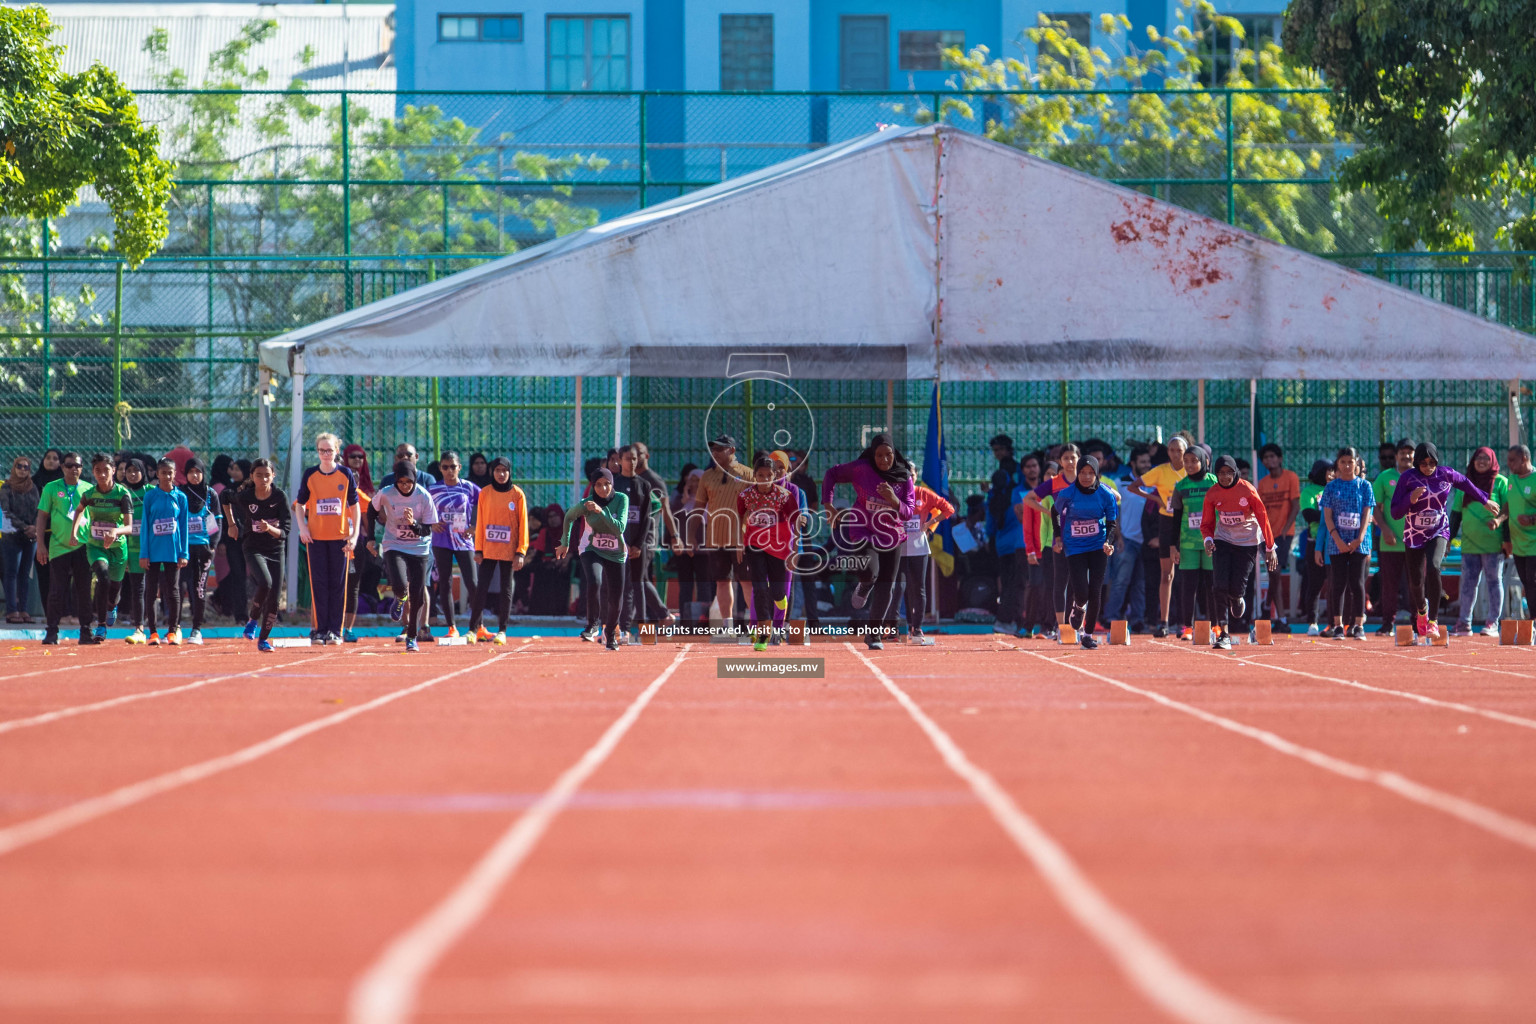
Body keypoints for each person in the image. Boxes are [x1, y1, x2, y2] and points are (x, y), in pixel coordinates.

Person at [1391, 442, 1498, 642]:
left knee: (1433, 567)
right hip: (1414, 534)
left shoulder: (1445, 474)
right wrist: (1410, 500)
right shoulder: (1407, 478)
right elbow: (1395, 511)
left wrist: (1485, 501)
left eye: (1432, 462)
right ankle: (1422, 610)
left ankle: (1433, 620)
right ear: (1416, 463)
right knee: (1415, 580)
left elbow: (1466, 483)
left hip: (1438, 530)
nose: (1428, 467)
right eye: (1423, 463)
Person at [821, 433, 917, 650]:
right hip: (863, 528)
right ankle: (864, 585)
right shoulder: (861, 469)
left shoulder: (904, 478)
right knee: (868, 572)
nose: (884, 460)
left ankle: (873, 635)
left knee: (886, 584)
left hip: (891, 535)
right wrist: (828, 505)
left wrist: (893, 500)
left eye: (888, 455)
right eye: (879, 455)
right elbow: (831, 474)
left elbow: (908, 513)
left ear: (895, 454)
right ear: (872, 455)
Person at [1200, 454, 1278, 650]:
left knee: (1236, 588)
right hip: (1223, 539)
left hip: (1248, 542)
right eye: (1220, 473)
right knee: (1218, 586)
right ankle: (1223, 633)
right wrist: (1208, 540)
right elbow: (1206, 523)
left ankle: (1237, 597)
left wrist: (1270, 547)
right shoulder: (1212, 494)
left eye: (1229, 473)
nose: (1225, 477)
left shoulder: (1248, 490)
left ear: (1235, 473)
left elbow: (1263, 518)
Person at [293, 433, 362, 645]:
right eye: (322, 450)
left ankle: (335, 631)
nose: (326, 454)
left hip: (339, 538)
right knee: (319, 584)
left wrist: (355, 534)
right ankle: (319, 630)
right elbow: (300, 504)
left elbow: (354, 506)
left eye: (329, 450)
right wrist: (302, 528)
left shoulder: (345, 474)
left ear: (337, 452)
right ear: (317, 452)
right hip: (316, 538)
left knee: (338, 584)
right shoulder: (310, 474)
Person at [1051, 455, 1120, 649]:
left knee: (1096, 590)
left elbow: (1112, 523)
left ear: (1097, 474)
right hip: (1075, 546)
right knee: (1081, 591)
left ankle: (1088, 635)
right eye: (1082, 473)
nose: (1086, 477)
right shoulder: (1068, 493)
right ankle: (1078, 607)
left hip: (1098, 546)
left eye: (1091, 473)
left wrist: (1108, 542)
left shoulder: (1106, 494)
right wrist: (1058, 536)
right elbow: (1055, 511)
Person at [557, 469, 629, 650]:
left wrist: (601, 511)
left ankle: (611, 633)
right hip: (592, 548)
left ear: (612, 484)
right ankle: (593, 624)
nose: (603, 488)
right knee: (595, 581)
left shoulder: (621, 499)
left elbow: (619, 528)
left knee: (615, 597)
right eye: (598, 484)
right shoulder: (587, 503)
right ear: (593, 486)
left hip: (616, 552)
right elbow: (569, 516)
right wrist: (565, 543)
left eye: (607, 483)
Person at [372, 461, 439, 652]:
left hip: (419, 548)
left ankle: (412, 636)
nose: (404, 486)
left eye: (408, 482)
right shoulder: (386, 492)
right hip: (394, 544)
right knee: (401, 584)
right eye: (400, 482)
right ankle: (399, 598)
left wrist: (412, 524)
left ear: (414, 480)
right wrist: (370, 538)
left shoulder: (423, 496)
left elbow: (427, 530)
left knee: (418, 595)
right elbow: (371, 509)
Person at [736, 453, 801, 650]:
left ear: (775, 476)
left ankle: (780, 597)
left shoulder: (784, 496)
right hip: (754, 546)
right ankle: (764, 634)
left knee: (777, 590)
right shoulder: (745, 496)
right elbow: (739, 518)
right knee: (759, 587)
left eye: (769, 475)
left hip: (779, 548)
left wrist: (795, 548)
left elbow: (795, 519)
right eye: (761, 475)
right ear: (755, 476)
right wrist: (740, 543)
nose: (765, 480)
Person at [1129, 434, 1188, 637]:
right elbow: (1133, 486)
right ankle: (1163, 622)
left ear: (1185, 451)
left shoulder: (1192, 471)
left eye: (1178, 450)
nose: (1174, 454)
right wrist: (1156, 498)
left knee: (1187, 576)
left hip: (1187, 526)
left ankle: (1185, 622)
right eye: (1171, 450)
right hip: (1167, 523)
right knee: (1167, 575)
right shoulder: (1161, 471)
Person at [229, 459, 290, 651]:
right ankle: (253, 619)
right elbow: (224, 497)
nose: (263, 478)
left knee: (275, 597)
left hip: (276, 549)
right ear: (252, 477)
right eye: (259, 475)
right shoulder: (245, 496)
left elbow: (286, 530)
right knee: (266, 582)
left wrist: (270, 528)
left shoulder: (280, 496)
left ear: (273, 476)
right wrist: (231, 524)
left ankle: (263, 639)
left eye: (267, 475)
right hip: (253, 548)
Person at [694, 436, 752, 631]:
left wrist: (746, 536)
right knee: (722, 580)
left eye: (721, 449)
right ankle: (728, 625)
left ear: (732, 450)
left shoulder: (748, 474)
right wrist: (690, 536)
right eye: (713, 449)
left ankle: (755, 623)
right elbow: (698, 507)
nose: (716, 452)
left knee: (746, 581)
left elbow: (754, 508)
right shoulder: (707, 476)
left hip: (741, 539)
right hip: (716, 538)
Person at [1451, 446, 1509, 637]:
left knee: (1494, 582)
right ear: (1472, 461)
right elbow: (1455, 516)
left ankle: (1492, 622)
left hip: (1493, 545)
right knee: (1468, 584)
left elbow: (1508, 512)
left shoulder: (1501, 483)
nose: (1482, 461)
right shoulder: (1465, 484)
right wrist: (1447, 540)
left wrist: (1507, 540)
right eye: (1478, 458)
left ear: (1493, 461)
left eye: (1486, 458)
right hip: (1469, 544)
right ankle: (1464, 623)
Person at [1317, 447, 1375, 640]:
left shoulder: (1365, 486)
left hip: (1359, 542)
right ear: (1337, 464)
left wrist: (1359, 538)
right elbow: (1328, 516)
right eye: (1343, 462)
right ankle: (1338, 625)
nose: (1347, 465)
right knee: (1338, 583)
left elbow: (1367, 513)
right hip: (1337, 543)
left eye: (1351, 462)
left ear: (1357, 464)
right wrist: (1338, 540)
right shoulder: (1331, 487)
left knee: (1357, 583)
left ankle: (1358, 625)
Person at [469, 456, 527, 644]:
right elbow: (480, 522)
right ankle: (473, 629)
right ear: (491, 472)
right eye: (497, 470)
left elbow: (523, 525)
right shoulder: (485, 493)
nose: (501, 474)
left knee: (506, 589)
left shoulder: (517, 494)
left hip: (509, 551)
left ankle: (502, 630)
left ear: (510, 472)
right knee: (481, 589)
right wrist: (478, 549)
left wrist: (521, 552)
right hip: (488, 550)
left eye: (504, 470)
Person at [77, 454, 134, 644]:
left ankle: (112, 606)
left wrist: (115, 531)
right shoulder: (90, 494)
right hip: (96, 546)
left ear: (114, 470)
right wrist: (74, 531)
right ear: (93, 472)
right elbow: (79, 510)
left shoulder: (122, 494)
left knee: (114, 587)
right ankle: (101, 625)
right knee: (102, 576)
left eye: (106, 470)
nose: (102, 474)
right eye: (97, 471)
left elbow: (130, 527)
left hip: (118, 549)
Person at [36, 452, 91, 646]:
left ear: (82, 468)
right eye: (69, 465)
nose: (73, 469)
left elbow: (96, 518)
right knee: (56, 591)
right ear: (62, 468)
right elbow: (42, 516)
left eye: (77, 465)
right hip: (58, 546)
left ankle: (86, 632)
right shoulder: (51, 488)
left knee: (84, 591)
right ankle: (51, 632)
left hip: (84, 546)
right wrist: (40, 544)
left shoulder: (89, 489)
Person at [899, 463, 954, 645]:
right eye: (904, 475)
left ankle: (917, 628)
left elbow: (948, 509)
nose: (909, 478)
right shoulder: (893, 494)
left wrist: (930, 524)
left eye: (911, 474)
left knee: (919, 588)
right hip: (898, 548)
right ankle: (905, 625)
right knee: (902, 587)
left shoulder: (923, 493)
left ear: (915, 475)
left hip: (919, 548)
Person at [139, 458, 191, 645]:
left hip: (173, 551)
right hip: (153, 551)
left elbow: (184, 527)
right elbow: (145, 525)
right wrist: (144, 554)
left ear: (174, 473)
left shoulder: (181, 498)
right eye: (163, 473)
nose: (167, 476)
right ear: (157, 474)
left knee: (173, 590)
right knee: (151, 591)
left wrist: (184, 553)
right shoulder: (150, 496)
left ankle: (172, 630)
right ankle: (152, 632)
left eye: (170, 473)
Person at [428, 450, 479, 638]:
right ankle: (452, 628)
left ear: (459, 467)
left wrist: (475, 526)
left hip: (464, 541)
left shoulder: (469, 487)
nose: (449, 471)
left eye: (453, 467)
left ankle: (477, 626)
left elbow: (484, 503)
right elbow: (421, 510)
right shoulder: (433, 490)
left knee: (473, 583)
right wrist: (431, 523)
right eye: (445, 467)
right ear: (440, 469)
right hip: (441, 541)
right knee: (445, 583)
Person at [1168, 443, 1216, 639]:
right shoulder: (1181, 486)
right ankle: (1187, 626)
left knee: (1212, 587)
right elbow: (1176, 518)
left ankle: (1216, 627)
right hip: (1188, 545)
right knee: (1188, 588)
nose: (1189, 464)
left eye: (1194, 461)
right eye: (1186, 461)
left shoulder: (1214, 483)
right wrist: (1173, 546)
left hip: (1211, 544)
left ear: (1204, 461)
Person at [616, 445, 660, 640]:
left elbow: (645, 518)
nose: (631, 462)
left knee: (639, 584)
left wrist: (638, 544)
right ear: (620, 460)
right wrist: (620, 541)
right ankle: (623, 629)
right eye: (627, 458)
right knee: (622, 586)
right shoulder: (614, 484)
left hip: (637, 545)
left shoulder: (644, 485)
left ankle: (645, 632)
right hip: (618, 544)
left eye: (634, 458)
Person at [1104, 444, 1150, 629]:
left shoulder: (1153, 483)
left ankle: (1138, 619)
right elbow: (1115, 512)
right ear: (1133, 463)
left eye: (1148, 461)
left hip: (1146, 541)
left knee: (1140, 583)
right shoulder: (1120, 482)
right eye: (1143, 462)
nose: (1147, 465)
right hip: (1127, 540)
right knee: (1120, 581)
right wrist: (1119, 537)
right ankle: (1111, 617)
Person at [1371, 439, 1414, 633]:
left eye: (1410, 452)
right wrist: (1385, 529)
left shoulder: (1421, 476)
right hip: (1390, 543)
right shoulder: (1384, 478)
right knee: (1389, 585)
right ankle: (1388, 623)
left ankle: (1418, 623)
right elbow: (1374, 507)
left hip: (1416, 543)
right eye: (1402, 453)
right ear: (1396, 456)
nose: (1406, 456)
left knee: (1417, 586)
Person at [180, 458, 223, 644]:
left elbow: (217, 521)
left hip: (203, 549)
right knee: (178, 586)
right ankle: (174, 627)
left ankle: (196, 629)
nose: (195, 476)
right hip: (182, 550)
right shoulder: (180, 493)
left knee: (199, 589)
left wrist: (212, 545)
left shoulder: (210, 494)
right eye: (191, 472)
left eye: (198, 472)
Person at [1256, 443, 1299, 625]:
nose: (1269, 460)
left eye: (1273, 456)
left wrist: (1284, 529)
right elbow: (1259, 510)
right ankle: (1272, 611)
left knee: (1276, 571)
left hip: (1284, 534)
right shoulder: (1263, 484)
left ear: (1280, 459)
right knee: (1274, 573)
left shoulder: (1291, 477)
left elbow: (1296, 506)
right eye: (1266, 457)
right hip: (1267, 535)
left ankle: (1278, 616)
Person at [1, 455, 40, 622]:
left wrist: (35, 527)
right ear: (14, 468)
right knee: (11, 572)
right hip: (12, 536)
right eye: (19, 466)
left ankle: (23, 609)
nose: (22, 470)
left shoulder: (33, 488)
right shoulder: (7, 488)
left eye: (26, 467)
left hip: (31, 537)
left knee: (25, 574)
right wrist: (25, 527)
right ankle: (12, 610)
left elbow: (40, 509)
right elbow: (5, 511)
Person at [1297, 459, 1333, 634]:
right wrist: (1331, 515)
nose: (1332, 475)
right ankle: (1313, 621)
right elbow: (1309, 514)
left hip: (1334, 542)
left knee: (1336, 584)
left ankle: (1335, 622)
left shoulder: (1335, 488)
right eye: (1329, 471)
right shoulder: (1309, 492)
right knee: (1315, 584)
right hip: (1315, 543)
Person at [115, 458, 148, 634]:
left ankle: (161, 625)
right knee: (138, 588)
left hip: (152, 548)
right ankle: (139, 625)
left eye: (136, 470)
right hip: (131, 549)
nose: (132, 474)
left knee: (157, 588)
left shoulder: (150, 491)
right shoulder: (121, 492)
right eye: (129, 471)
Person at [1506, 445, 1536, 619]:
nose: (1509, 464)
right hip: (1518, 544)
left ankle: (1533, 622)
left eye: (1512, 460)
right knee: (1526, 583)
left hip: (1534, 544)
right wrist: (1499, 519)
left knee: (1532, 584)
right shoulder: (1511, 480)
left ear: (1524, 458)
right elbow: (1509, 506)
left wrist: (1531, 519)